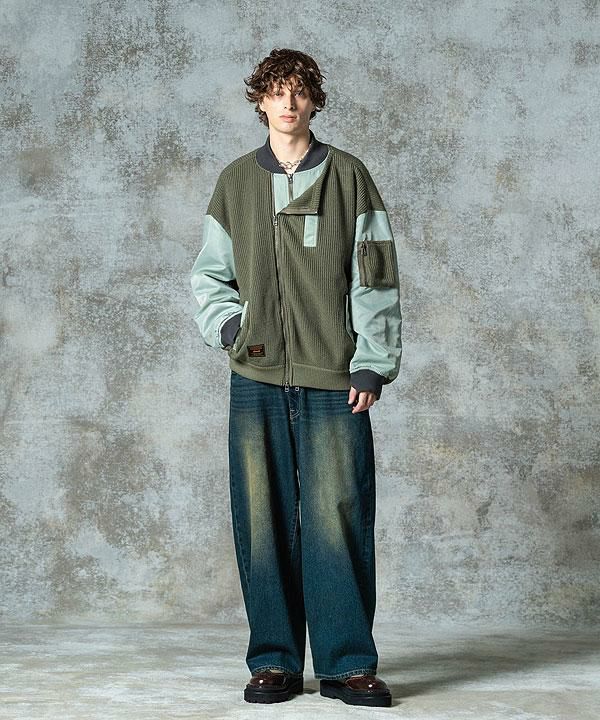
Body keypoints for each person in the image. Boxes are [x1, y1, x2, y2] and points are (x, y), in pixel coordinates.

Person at [190, 48, 402, 708]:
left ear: (314, 101)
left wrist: (372, 360)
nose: (288, 102)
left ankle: (347, 665)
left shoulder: (349, 178)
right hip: (254, 375)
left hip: (335, 376)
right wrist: (232, 328)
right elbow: (209, 275)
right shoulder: (235, 183)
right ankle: (274, 661)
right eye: (277, 91)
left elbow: (375, 275)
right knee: (262, 518)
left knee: (339, 517)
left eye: (300, 91)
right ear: (260, 101)